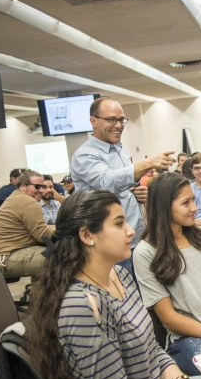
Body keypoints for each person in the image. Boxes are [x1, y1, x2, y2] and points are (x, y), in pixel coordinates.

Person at [30, 191, 201, 379]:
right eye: (119, 224)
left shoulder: (120, 275)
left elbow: (152, 349)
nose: (131, 231)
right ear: (87, 235)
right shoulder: (81, 305)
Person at [134, 173, 201, 376]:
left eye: (193, 199)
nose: (195, 208)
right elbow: (168, 319)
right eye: (186, 202)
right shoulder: (146, 252)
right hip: (189, 339)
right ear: (164, 206)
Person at [70, 96, 176, 274]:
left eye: (121, 120)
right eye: (111, 119)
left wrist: (136, 191)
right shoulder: (84, 155)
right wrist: (148, 163)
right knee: (122, 298)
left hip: (136, 238)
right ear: (93, 121)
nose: (118, 125)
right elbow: (107, 181)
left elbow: (121, 185)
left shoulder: (120, 150)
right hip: (110, 246)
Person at [0, 169, 54, 277]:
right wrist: (65, 229)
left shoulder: (16, 196)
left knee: (47, 253)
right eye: (37, 186)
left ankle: (40, 294)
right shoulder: (28, 201)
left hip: (4, 253)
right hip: (4, 257)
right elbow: (43, 236)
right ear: (23, 186)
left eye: (43, 186)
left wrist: (52, 227)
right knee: (61, 259)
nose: (41, 190)